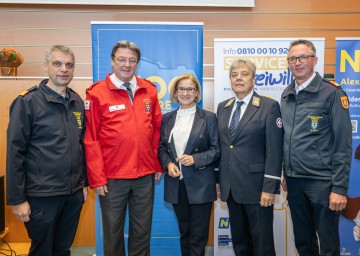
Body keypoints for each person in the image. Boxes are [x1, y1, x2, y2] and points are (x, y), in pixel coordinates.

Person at [6, 45, 87, 256]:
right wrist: (17, 199)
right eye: (57, 63)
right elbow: (15, 153)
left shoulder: (77, 102)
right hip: (41, 196)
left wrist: (83, 184)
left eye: (69, 65)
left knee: (62, 249)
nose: (64, 69)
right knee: (42, 250)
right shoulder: (27, 102)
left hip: (73, 194)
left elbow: (81, 146)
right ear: (46, 66)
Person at [84, 40, 162, 256]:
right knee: (113, 232)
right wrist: (97, 178)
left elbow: (156, 130)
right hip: (112, 178)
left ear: (137, 63)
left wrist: (157, 163)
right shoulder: (97, 93)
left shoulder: (149, 89)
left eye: (132, 60)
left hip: (144, 176)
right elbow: (91, 138)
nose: (126, 64)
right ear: (112, 61)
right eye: (122, 59)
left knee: (142, 232)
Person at [281, 39, 352, 255]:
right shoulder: (287, 93)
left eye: (303, 57)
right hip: (294, 182)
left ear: (315, 60)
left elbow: (343, 143)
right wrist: (286, 171)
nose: (298, 62)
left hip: (322, 182)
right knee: (303, 243)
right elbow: (288, 137)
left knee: (328, 246)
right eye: (293, 58)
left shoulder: (332, 93)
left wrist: (339, 188)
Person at [217, 58, 283, 256]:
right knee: (240, 243)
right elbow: (222, 147)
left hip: (257, 190)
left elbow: (275, 149)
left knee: (262, 245)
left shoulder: (268, 106)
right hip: (230, 188)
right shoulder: (223, 107)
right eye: (234, 75)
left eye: (244, 74)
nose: (239, 79)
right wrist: (219, 181)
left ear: (254, 79)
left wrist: (270, 187)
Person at [158, 74, 220, 256]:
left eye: (190, 89)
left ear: (196, 93)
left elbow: (217, 150)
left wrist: (196, 159)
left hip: (201, 184)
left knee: (198, 236)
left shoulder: (209, 118)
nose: (185, 93)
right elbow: (161, 148)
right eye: (181, 89)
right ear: (175, 93)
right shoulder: (167, 118)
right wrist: (168, 164)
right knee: (184, 233)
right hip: (177, 184)